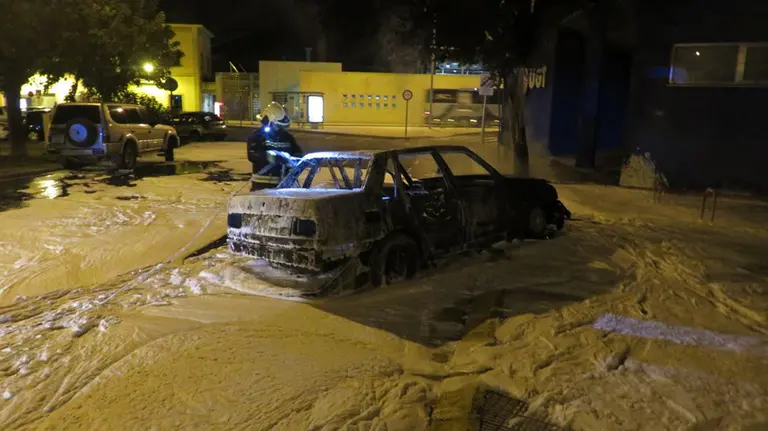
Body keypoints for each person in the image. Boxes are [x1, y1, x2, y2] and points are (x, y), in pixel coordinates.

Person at [246, 102, 303, 191]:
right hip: (261, 186)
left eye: (281, 126)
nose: (280, 128)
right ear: (268, 121)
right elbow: (253, 155)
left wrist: (294, 160)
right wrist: (272, 157)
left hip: (283, 185)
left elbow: (297, 152)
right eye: (277, 125)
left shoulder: (287, 137)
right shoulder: (258, 136)